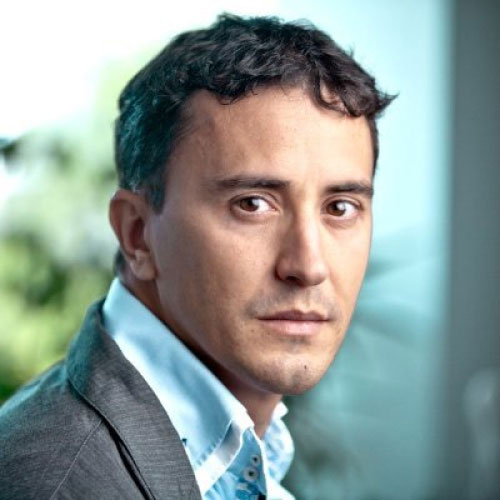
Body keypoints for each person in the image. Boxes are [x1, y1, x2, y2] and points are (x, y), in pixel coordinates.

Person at [0, 13, 393, 500]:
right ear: (137, 234)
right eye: (252, 204)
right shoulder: (56, 482)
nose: (308, 266)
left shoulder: (241, 462)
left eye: (340, 207)